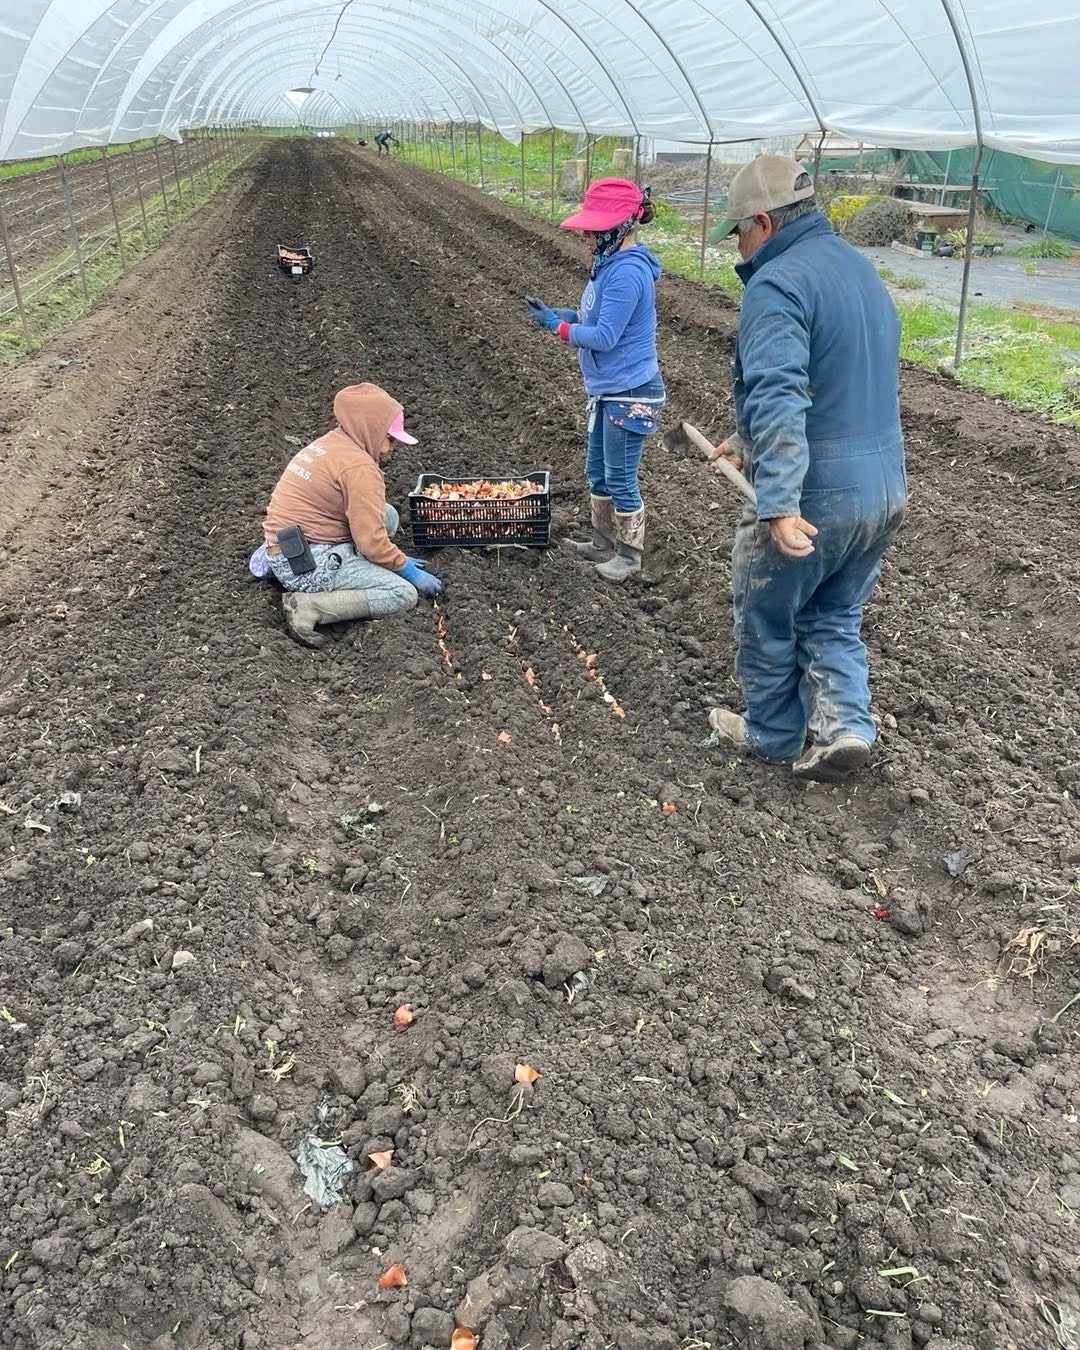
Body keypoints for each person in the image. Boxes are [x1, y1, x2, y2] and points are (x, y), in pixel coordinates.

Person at [703, 155, 906, 784]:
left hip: (820, 487)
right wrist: (744, 440)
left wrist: (780, 501)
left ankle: (771, 733)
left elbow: (780, 391)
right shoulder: (858, 268)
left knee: (767, 609)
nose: (738, 246)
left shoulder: (777, 284)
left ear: (764, 222)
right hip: (884, 484)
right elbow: (835, 374)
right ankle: (848, 727)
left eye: (739, 232)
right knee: (834, 612)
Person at [525, 177, 664, 583]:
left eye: (593, 229)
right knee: (598, 471)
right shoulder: (608, 266)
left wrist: (557, 328)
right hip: (608, 390)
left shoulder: (627, 273)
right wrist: (564, 315)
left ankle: (629, 555)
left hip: (630, 392)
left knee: (620, 475)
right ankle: (602, 542)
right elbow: (594, 318)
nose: (586, 236)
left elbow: (604, 337)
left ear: (618, 227)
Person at [249, 382, 442, 648]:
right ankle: (308, 606)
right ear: (370, 430)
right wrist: (405, 568)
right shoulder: (359, 469)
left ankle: (352, 564)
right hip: (307, 562)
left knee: (387, 516)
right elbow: (371, 543)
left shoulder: (333, 442)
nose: (390, 449)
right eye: (389, 439)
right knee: (402, 593)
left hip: (287, 542)